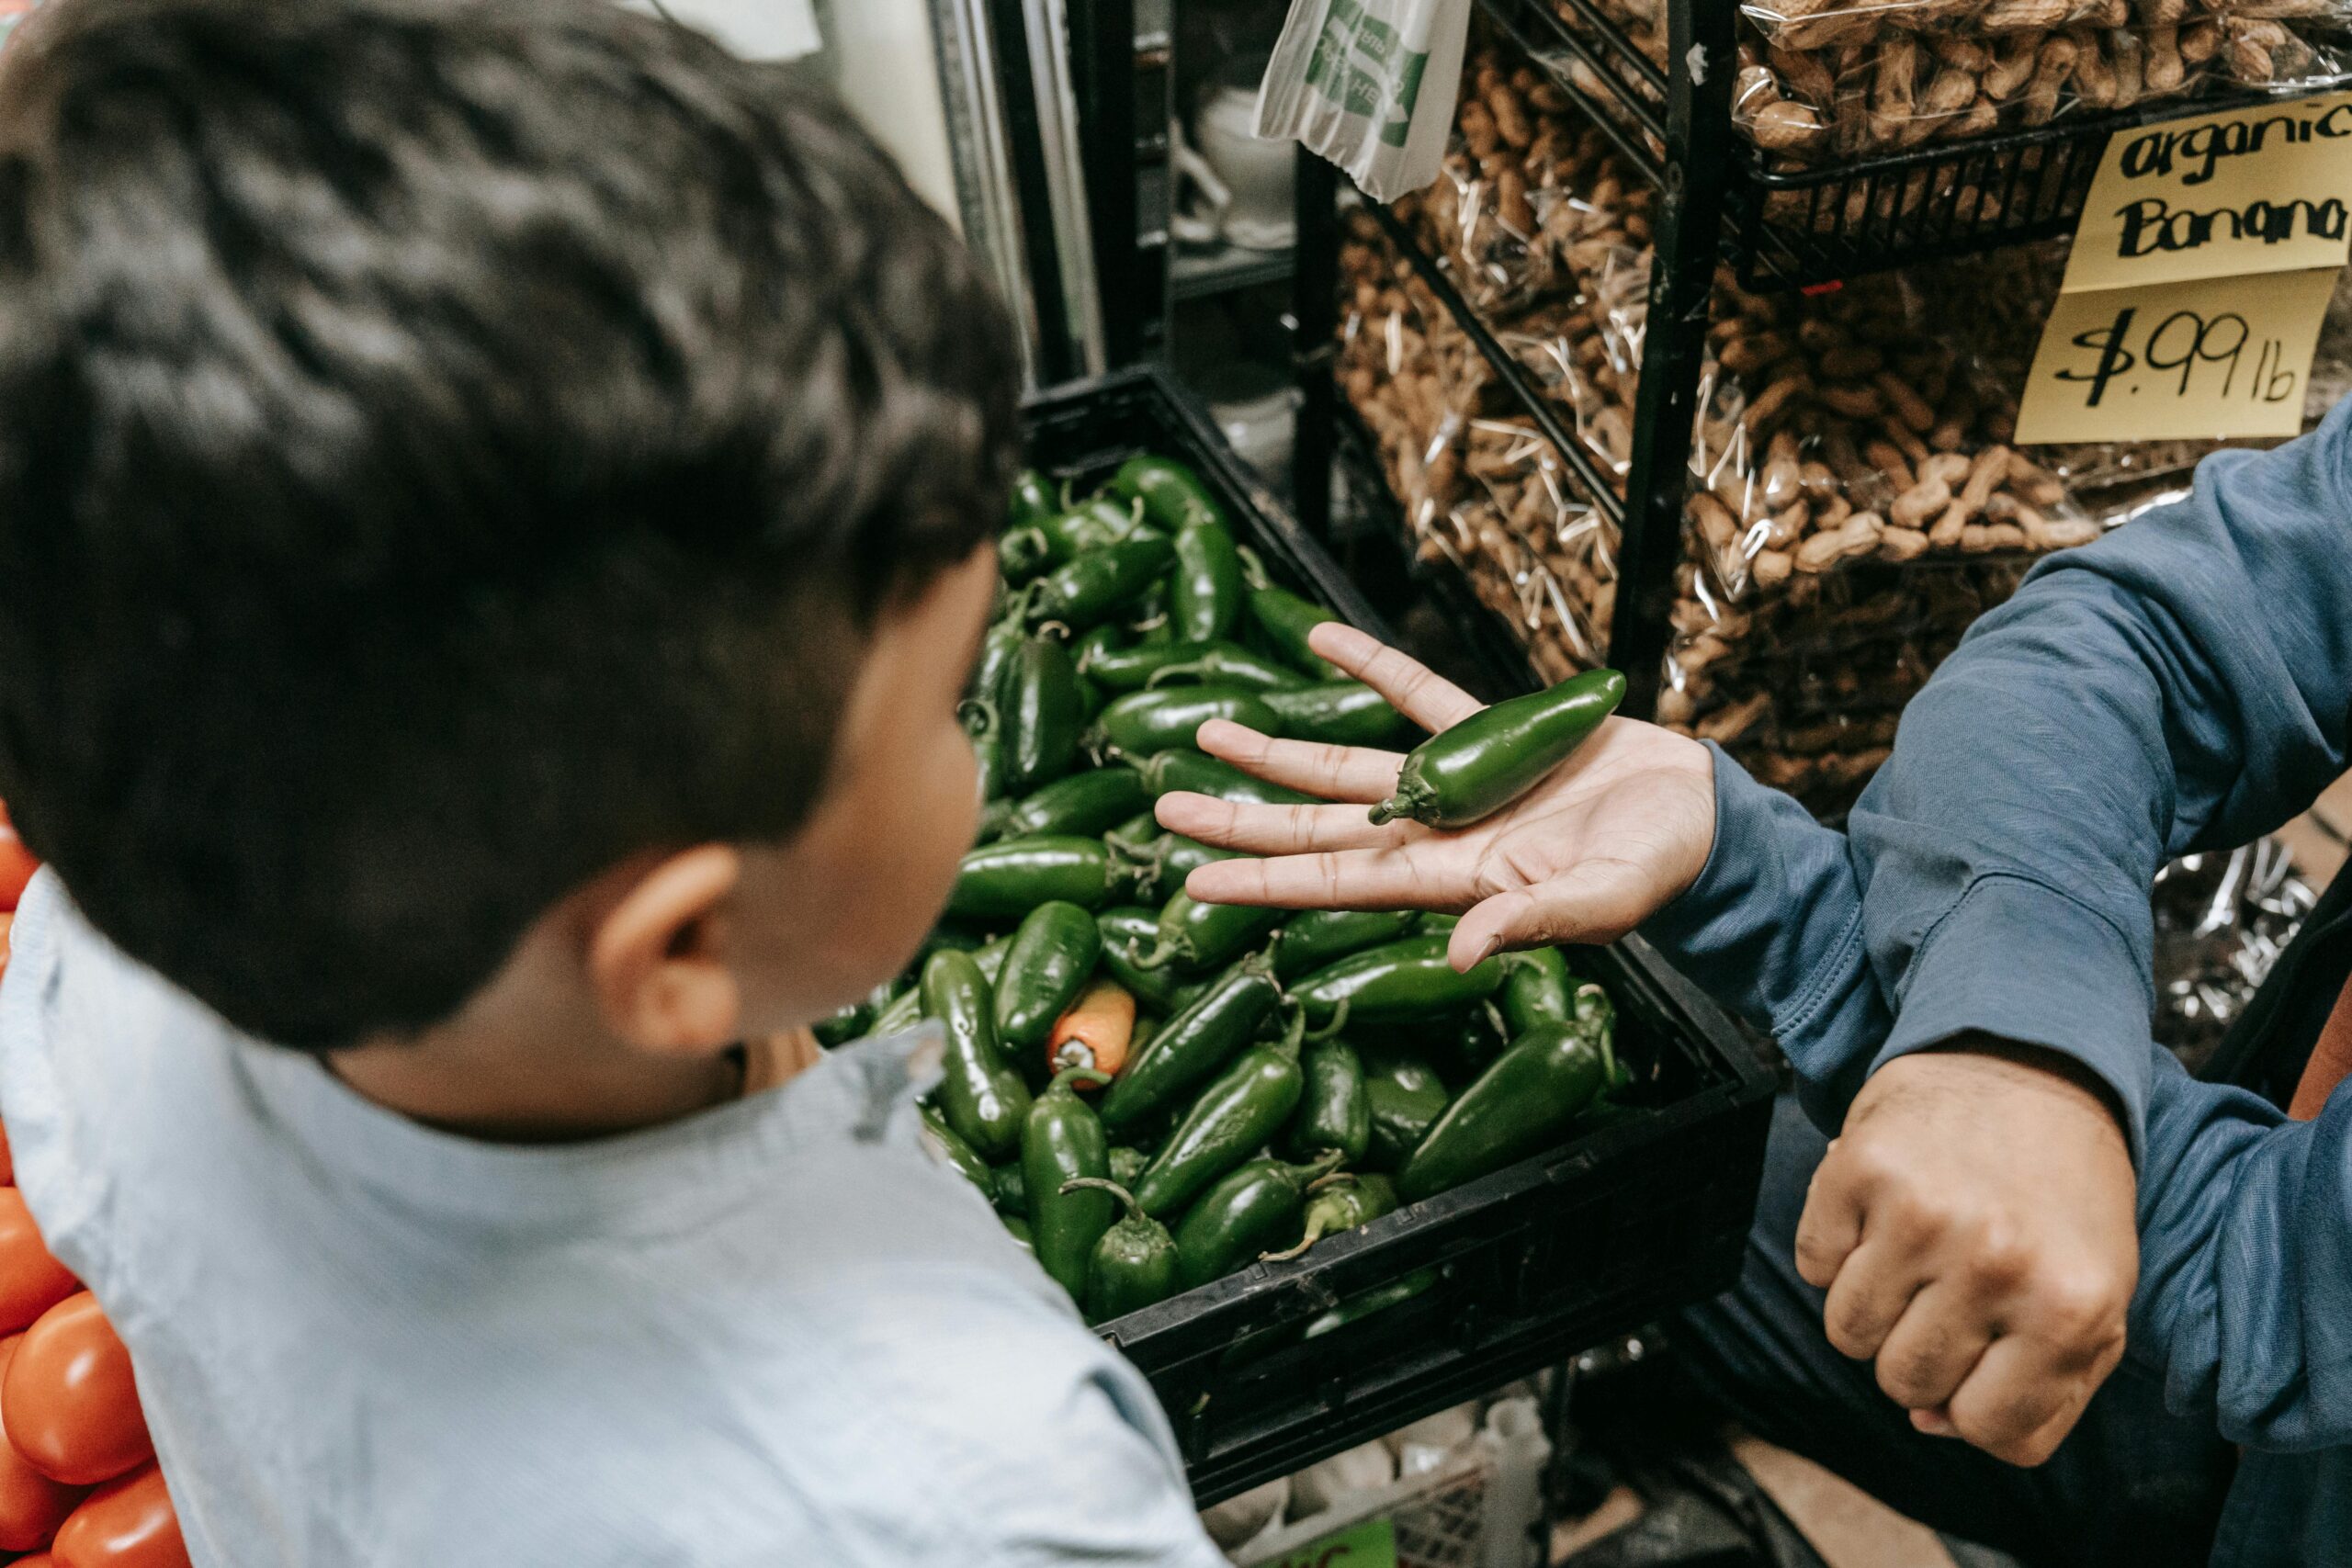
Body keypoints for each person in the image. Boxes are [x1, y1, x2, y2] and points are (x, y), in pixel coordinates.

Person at [0, 0, 1227, 1562]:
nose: (975, 751)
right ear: (677, 955)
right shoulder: (973, 1493)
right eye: (944, 709)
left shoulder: (96, 988)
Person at [1161, 401, 2352, 1567]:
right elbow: (2129, 642)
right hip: (2226, 1296)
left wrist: (1942, 1017)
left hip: (2280, 1389)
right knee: (1654, 1178)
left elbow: (2289, 1282)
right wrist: (1996, 1035)